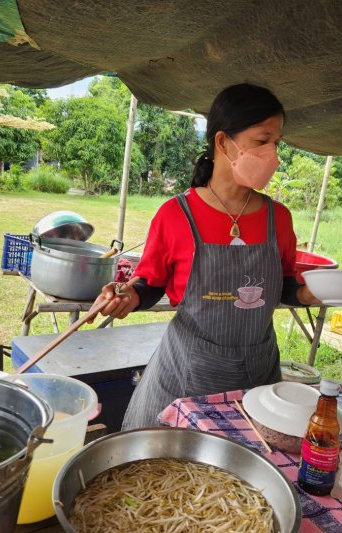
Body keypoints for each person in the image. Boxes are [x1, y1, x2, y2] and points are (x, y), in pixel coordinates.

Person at [97, 83, 321, 429]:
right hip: (186, 378)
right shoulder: (176, 215)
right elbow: (150, 284)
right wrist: (129, 295)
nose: (273, 154)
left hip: (257, 376)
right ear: (222, 142)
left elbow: (285, 286)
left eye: (277, 143)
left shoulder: (279, 219)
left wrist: (307, 294)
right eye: (262, 141)